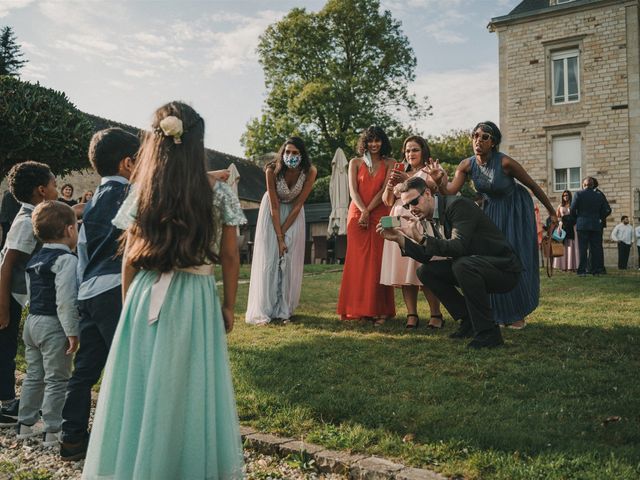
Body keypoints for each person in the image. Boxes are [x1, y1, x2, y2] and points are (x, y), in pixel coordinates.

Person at [82, 102, 245, 479]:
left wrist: (128, 306)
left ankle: (138, 464)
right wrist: (229, 306)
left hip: (144, 295)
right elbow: (231, 256)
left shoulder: (142, 192)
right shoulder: (218, 193)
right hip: (196, 295)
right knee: (189, 385)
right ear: (196, 144)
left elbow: (129, 259)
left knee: (142, 383)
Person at [427, 121, 556, 329]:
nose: (478, 140)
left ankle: (516, 314)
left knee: (514, 257)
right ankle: (495, 313)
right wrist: (440, 180)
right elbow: (449, 192)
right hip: (489, 212)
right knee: (490, 259)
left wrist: (552, 212)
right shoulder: (466, 165)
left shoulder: (505, 163)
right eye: (475, 135)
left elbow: (532, 185)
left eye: (484, 137)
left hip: (515, 210)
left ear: (493, 142)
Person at [59, 128, 139, 461]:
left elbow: (83, 253)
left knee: (86, 370)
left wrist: (80, 298)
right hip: (115, 289)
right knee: (131, 366)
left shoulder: (88, 207)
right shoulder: (133, 195)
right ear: (127, 163)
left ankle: (72, 437)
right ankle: (128, 438)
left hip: (89, 290)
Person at [377, 176, 522, 349]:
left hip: (503, 269)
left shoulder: (458, 206)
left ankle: (488, 332)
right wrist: (400, 238)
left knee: (461, 264)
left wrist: (421, 238)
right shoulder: (429, 216)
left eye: (414, 201)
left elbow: (458, 247)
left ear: (428, 193)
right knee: (426, 271)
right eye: (407, 206)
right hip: (472, 266)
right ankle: (468, 321)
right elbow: (426, 256)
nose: (411, 209)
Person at [15, 201, 80, 446]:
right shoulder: (67, 261)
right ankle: (53, 429)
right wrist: (72, 331)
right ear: (70, 230)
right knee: (57, 378)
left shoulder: (36, 259)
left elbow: (32, 293)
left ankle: (25, 422)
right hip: (54, 323)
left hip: (33, 321)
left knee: (34, 374)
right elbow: (65, 299)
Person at [0, 161, 59, 427]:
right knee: (5, 348)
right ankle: (6, 403)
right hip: (6, 293)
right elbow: (7, 263)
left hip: (12, 293)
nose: (57, 189)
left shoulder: (37, 215)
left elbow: (69, 211)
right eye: (54, 184)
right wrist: (2, 305)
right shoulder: (26, 222)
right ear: (41, 190)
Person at [245, 137, 317, 325]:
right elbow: (274, 206)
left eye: (295, 153)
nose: (290, 156)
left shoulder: (310, 171)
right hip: (271, 213)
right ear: (282, 153)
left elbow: (299, 203)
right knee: (270, 260)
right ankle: (265, 309)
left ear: (302, 155)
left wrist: (284, 234)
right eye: (287, 152)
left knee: (289, 260)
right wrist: (278, 236)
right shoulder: (272, 170)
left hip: (294, 214)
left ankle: (284, 309)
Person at [380, 136, 443, 329]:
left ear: (423, 150)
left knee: (425, 269)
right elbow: (387, 201)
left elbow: (435, 189)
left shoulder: (430, 170)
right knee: (405, 272)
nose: (410, 154)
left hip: (421, 222)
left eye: (414, 150)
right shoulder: (400, 171)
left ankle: (436, 314)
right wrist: (391, 185)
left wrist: (406, 180)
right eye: (407, 151)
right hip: (398, 221)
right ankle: (411, 314)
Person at [337, 126, 396, 324]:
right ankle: (357, 309)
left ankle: (380, 310)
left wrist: (368, 211)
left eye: (377, 140)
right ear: (365, 143)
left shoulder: (391, 163)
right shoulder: (355, 162)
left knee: (378, 262)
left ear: (383, 142)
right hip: (357, 215)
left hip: (379, 212)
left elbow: (384, 192)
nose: (374, 144)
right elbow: (353, 191)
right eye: (370, 140)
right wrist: (362, 211)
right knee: (357, 263)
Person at [570, 176, 610, 276]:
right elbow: (607, 209)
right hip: (596, 224)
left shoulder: (578, 194)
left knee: (582, 249)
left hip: (582, 224)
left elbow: (572, 209)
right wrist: (600, 218)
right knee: (596, 248)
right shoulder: (599, 195)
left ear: (584, 185)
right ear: (592, 185)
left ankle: (582, 271)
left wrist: (577, 219)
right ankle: (596, 271)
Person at [553, 190, 578, 271]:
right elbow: (557, 216)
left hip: (573, 226)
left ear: (570, 195)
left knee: (573, 245)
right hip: (563, 226)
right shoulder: (560, 206)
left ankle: (573, 266)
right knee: (564, 245)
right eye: (564, 195)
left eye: (567, 195)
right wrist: (560, 222)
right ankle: (563, 266)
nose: (565, 196)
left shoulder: (573, 205)